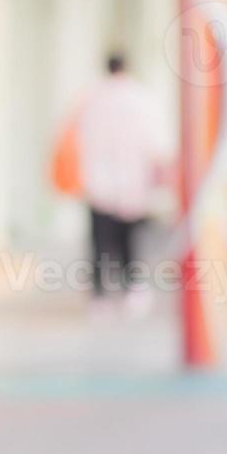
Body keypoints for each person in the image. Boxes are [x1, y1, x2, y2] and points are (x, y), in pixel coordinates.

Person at [75, 52, 171, 320]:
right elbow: (155, 143)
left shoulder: (92, 98)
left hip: (99, 184)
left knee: (99, 242)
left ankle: (99, 295)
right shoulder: (141, 98)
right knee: (130, 239)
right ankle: (133, 288)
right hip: (132, 182)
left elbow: (80, 139)